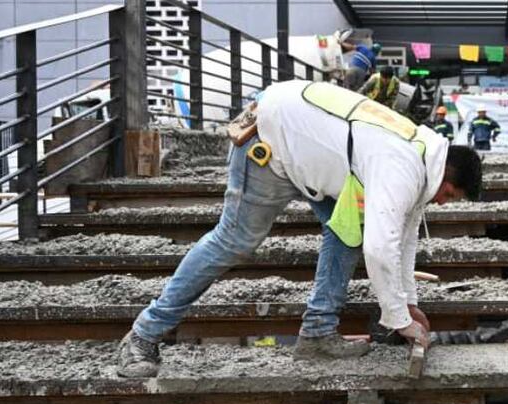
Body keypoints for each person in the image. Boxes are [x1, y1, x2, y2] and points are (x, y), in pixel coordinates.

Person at [116, 80, 483, 378]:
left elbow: (403, 243)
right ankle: (143, 334)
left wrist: (409, 304)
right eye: (449, 195)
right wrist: (399, 319)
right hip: (271, 143)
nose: (444, 203)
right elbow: (380, 248)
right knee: (234, 241)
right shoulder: (401, 166)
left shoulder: (422, 156)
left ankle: (318, 334)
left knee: (346, 232)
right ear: (445, 174)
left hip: (311, 154)